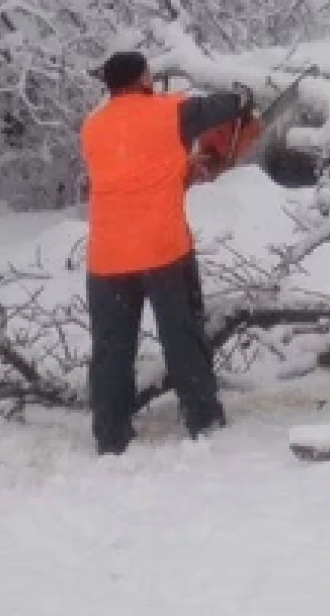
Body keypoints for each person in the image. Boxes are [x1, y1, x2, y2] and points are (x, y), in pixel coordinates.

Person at [80, 50, 252, 454]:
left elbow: (132, 169)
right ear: (143, 78)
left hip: (107, 259)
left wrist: (178, 168)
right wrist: (243, 97)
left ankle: (110, 435)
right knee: (182, 338)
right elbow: (229, 104)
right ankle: (203, 420)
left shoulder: (92, 126)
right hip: (162, 251)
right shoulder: (169, 111)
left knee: (111, 351)